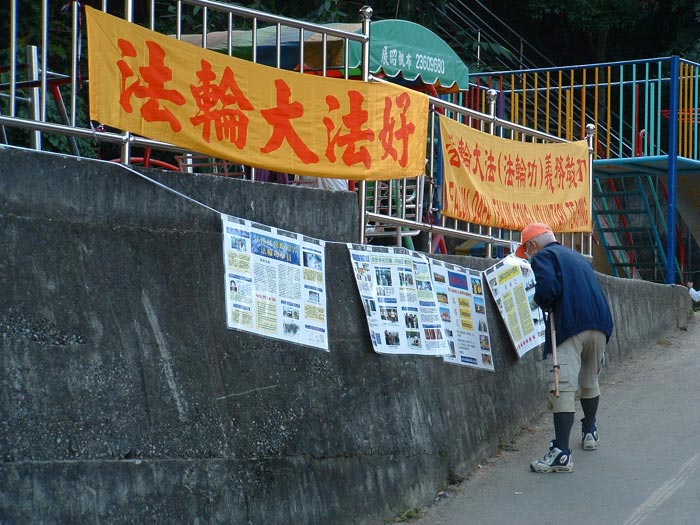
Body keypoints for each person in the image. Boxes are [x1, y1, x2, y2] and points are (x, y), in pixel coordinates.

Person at [515, 223, 614, 473]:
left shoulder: (544, 256)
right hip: (600, 324)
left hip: (570, 325)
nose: (528, 256)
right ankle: (590, 431)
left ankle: (561, 453)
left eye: (527, 251)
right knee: (590, 380)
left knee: (562, 387)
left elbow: (548, 289)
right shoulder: (578, 258)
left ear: (533, 245)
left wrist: (540, 301)